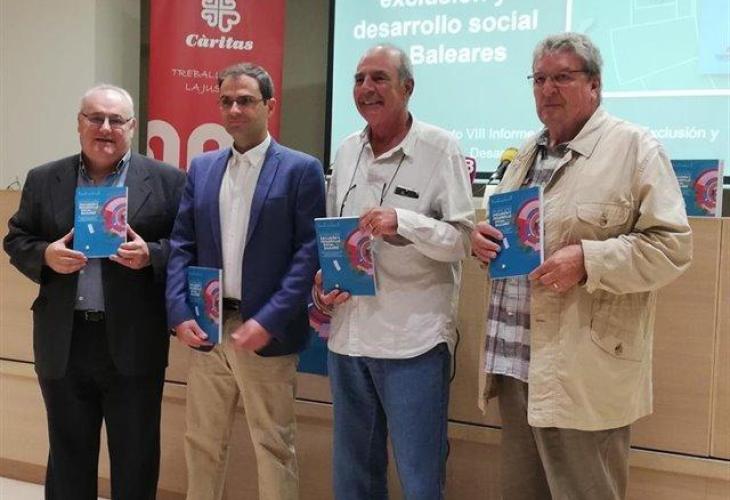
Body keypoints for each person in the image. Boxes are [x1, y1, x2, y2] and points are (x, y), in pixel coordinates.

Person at [471, 33, 692, 500]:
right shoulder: (526, 153)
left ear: (595, 85)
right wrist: (484, 240)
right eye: (539, 79)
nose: (548, 89)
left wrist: (590, 261)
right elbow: (515, 236)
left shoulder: (635, 148)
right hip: (516, 367)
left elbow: (672, 247)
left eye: (563, 77)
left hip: (581, 375)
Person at [3, 84, 186, 499]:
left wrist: (153, 255)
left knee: (136, 459)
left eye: (116, 120)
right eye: (95, 118)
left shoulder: (168, 181)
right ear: (79, 123)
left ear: (132, 127)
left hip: (135, 341)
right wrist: (46, 255)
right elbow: (16, 239)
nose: (105, 128)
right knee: (68, 459)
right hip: (64, 341)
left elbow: (188, 246)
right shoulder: (44, 178)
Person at [313, 44, 474, 500]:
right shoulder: (347, 150)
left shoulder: (440, 148)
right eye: (359, 79)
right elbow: (335, 234)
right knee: (353, 480)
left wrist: (404, 222)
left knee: (420, 480)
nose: (367, 88)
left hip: (412, 343)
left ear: (408, 87)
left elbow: (462, 239)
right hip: (348, 339)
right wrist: (324, 282)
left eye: (379, 78)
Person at [165, 62, 326, 500]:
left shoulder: (301, 169)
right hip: (208, 328)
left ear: (270, 106)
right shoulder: (202, 168)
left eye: (246, 100)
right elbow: (182, 244)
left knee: (274, 447)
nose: (234, 109)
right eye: (226, 101)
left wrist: (269, 320)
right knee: (201, 444)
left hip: (265, 336)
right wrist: (178, 313)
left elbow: (307, 254)